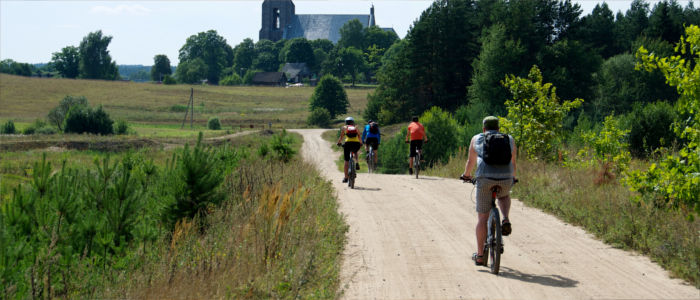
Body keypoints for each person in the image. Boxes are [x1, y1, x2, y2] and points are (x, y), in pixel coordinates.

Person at [460, 116, 517, 266]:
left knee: (482, 219)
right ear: (498, 128)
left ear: (483, 128)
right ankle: (505, 218)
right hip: (505, 178)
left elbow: (471, 161)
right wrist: (513, 178)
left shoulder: (477, 138)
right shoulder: (509, 139)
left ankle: (480, 256)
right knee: (504, 195)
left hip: (485, 179)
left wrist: (466, 175)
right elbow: (513, 161)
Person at [337, 117, 363, 183]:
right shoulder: (356, 128)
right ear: (352, 122)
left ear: (346, 122)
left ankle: (346, 178)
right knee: (355, 151)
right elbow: (359, 136)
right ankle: (357, 162)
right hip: (356, 144)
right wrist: (361, 143)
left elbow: (341, 136)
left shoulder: (344, 128)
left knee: (346, 161)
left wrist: (339, 142)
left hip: (347, 144)